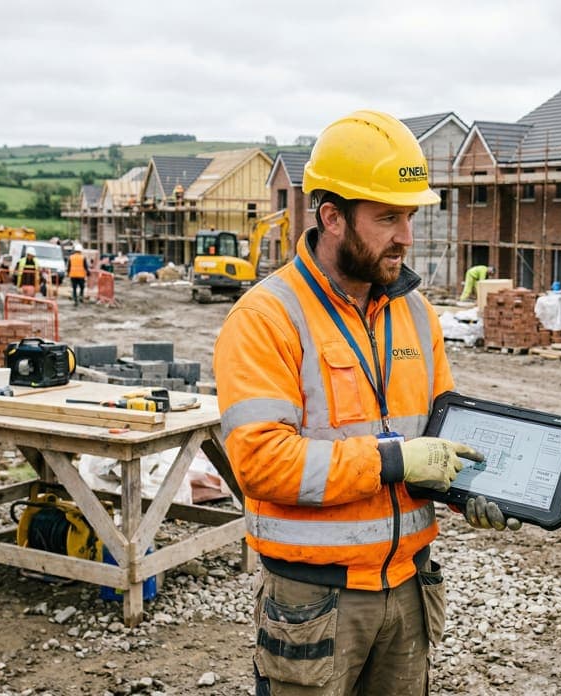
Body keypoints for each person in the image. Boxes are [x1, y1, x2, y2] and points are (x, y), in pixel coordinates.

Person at [214, 110, 510, 696]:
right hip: (314, 602)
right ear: (331, 216)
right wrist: (394, 460)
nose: (406, 236)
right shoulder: (266, 318)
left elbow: (440, 431)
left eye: (410, 216)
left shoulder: (417, 314)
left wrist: (472, 487)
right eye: (387, 218)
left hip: (409, 591)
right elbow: (260, 461)